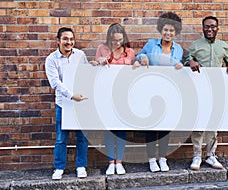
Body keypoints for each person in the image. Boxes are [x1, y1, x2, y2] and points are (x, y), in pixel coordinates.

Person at [184, 16, 228, 170]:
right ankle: (196, 156)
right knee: (198, 123)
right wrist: (190, 61)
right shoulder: (195, 45)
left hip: (216, 89)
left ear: (217, 28)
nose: (210, 29)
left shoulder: (223, 46)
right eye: (207, 26)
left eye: (213, 26)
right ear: (203, 28)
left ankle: (211, 155)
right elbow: (188, 58)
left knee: (213, 124)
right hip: (199, 90)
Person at [133, 12, 183, 172]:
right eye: (165, 30)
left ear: (176, 33)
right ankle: (151, 159)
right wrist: (142, 58)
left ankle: (163, 158)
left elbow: (179, 66)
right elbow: (139, 55)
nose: (168, 33)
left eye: (171, 31)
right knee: (151, 126)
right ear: (161, 29)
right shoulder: (151, 44)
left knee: (165, 127)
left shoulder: (179, 49)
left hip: (168, 92)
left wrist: (180, 66)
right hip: (150, 90)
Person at [90, 23, 135, 175]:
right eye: (114, 40)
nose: (117, 43)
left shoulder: (129, 52)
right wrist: (98, 63)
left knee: (121, 129)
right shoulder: (101, 49)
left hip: (123, 96)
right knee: (109, 129)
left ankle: (120, 162)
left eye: (120, 40)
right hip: (106, 95)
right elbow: (94, 70)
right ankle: (111, 162)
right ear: (109, 38)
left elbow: (133, 73)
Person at [45, 27, 89, 180]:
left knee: (82, 137)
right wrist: (72, 96)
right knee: (61, 139)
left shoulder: (80, 55)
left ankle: (81, 166)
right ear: (58, 40)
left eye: (71, 39)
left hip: (80, 104)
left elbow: (86, 74)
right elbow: (55, 83)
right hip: (63, 104)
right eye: (65, 39)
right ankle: (59, 167)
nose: (68, 42)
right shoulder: (51, 59)